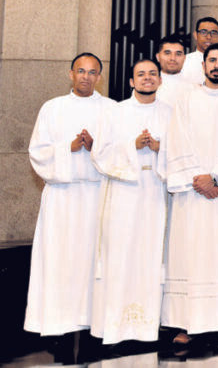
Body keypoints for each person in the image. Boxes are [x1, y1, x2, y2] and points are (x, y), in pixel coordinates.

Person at [160, 43, 218, 346]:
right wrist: (198, 179)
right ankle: (184, 322)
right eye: (212, 60)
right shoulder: (186, 101)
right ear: (202, 65)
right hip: (192, 193)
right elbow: (177, 140)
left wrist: (216, 177)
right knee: (189, 255)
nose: (217, 65)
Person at [24, 53, 116, 348]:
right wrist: (70, 147)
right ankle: (60, 328)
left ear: (99, 77)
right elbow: (37, 152)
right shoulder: (53, 108)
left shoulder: (112, 110)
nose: (86, 77)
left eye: (92, 72)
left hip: (97, 196)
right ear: (70, 74)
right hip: (62, 199)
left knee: (94, 262)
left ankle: (93, 327)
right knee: (60, 261)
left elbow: (121, 154)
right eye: (81, 71)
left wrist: (95, 147)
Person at [90, 59, 172, 346]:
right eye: (141, 74)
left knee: (152, 258)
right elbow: (99, 153)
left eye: (153, 74)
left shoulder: (171, 114)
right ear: (131, 82)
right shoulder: (115, 112)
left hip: (156, 193)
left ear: (160, 80)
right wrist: (132, 146)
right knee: (121, 257)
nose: (147, 78)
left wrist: (161, 147)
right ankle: (117, 328)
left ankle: (148, 329)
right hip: (124, 194)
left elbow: (183, 152)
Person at [181, 16, 218, 83]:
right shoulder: (184, 62)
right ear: (195, 35)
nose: (209, 37)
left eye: (213, 33)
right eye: (203, 32)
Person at [155, 35, 191, 107]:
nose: (173, 58)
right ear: (158, 57)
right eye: (167, 53)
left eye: (178, 54)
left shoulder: (194, 89)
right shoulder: (148, 87)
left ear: (184, 58)